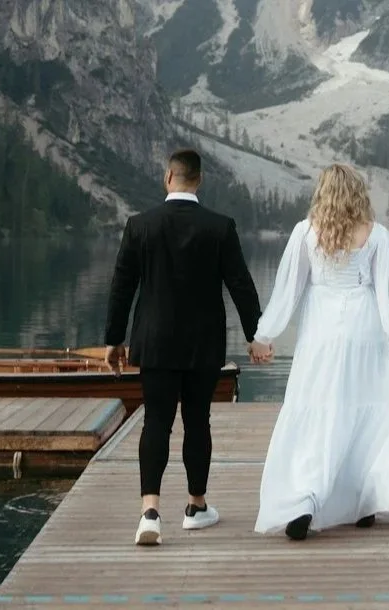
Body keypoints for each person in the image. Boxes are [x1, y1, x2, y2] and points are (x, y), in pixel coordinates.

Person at [246, 164, 389, 541]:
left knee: (319, 411)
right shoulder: (375, 234)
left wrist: (263, 336)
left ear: (323, 193)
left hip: (321, 336)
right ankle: (363, 503)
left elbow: (288, 291)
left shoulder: (305, 232)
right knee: (366, 413)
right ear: (357, 194)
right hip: (365, 334)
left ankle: (304, 501)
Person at [104, 149, 262, 546]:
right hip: (203, 343)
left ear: (168, 176)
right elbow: (240, 284)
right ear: (199, 180)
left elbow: (122, 286)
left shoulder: (140, 225)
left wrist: (113, 339)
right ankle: (195, 506)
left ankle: (150, 512)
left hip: (154, 341)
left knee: (155, 420)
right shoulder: (220, 226)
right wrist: (254, 334)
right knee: (197, 420)